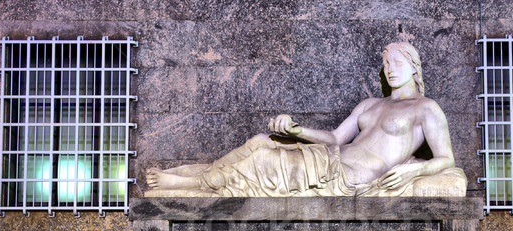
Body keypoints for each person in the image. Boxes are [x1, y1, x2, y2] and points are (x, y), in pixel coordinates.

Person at [146, 42, 465, 197]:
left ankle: (190, 184)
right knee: (260, 143)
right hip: (330, 158)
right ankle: (202, 178)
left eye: (396, 62)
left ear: (414, 67)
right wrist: (297, 130)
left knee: (266, 164)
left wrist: (416, 170)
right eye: (385, 63)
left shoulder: (427, 108)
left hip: (347, 179)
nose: (390, 68)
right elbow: (337, 138)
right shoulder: (370, 105)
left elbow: (446, 159)